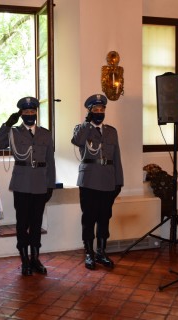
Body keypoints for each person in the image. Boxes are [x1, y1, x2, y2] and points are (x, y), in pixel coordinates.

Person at [0, 97, 56, 276]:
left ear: (36, 112)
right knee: (22, 223)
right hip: (21, 183)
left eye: (32, 111)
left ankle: (35, 258)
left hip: (40, 183)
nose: (30, 114)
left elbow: (50, 162)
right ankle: (24, 259)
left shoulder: (45, 134)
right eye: (26, 112)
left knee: (36, 223)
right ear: (21, 114)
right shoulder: (13, 132)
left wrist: (50, 184)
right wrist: (7, 124)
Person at [71, 94, 123, 271]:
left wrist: (119, 181)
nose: (99, 113)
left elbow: (116, 157)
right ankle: (88, 253)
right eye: (95, 110)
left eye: (102, 109)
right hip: (89, 180)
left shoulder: (111, 131)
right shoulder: (82, 129)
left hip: (108, 180)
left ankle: (101, 252)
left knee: (104, 218)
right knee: (89, 218)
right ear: (90, 112)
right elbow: (77, 141)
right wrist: (87, 123)